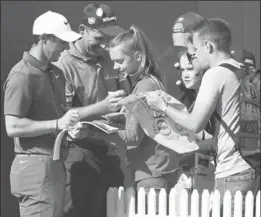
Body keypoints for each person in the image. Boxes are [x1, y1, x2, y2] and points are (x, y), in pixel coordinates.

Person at [147, 18, 257, 212]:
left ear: (208, 46)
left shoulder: (215, 74)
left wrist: (163, 106)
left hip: (231, 170)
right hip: (251, 165)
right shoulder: (242, 70)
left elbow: (194, 123)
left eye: (196, 50)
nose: (194, 56)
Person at [89, 25, 180, 213]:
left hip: (150, 172)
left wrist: (98, 131)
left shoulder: (143, 86)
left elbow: (133, 137)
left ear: (138, 57)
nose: (115, 66)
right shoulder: (152, 80)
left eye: (120, 61)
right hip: (158, 168)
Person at [3, 11, 82, 217]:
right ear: (44, 39)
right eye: (61, 41)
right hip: (34, 166)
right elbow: (12, 127)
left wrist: (70, 125)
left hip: (54, 164)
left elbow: (59, 115)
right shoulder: (22, 75)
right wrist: (57, 124)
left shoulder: (56, 73)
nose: (66, 47)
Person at [54, 4, 127, 217]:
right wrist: (102, 107)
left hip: (110, 151)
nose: (104, 44)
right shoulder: (64, 65)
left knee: (113, 211)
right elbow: (62, 116)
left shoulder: (108, 59)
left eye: (108, 38)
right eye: (99, 37)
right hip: (79, 155)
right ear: (82, 29)